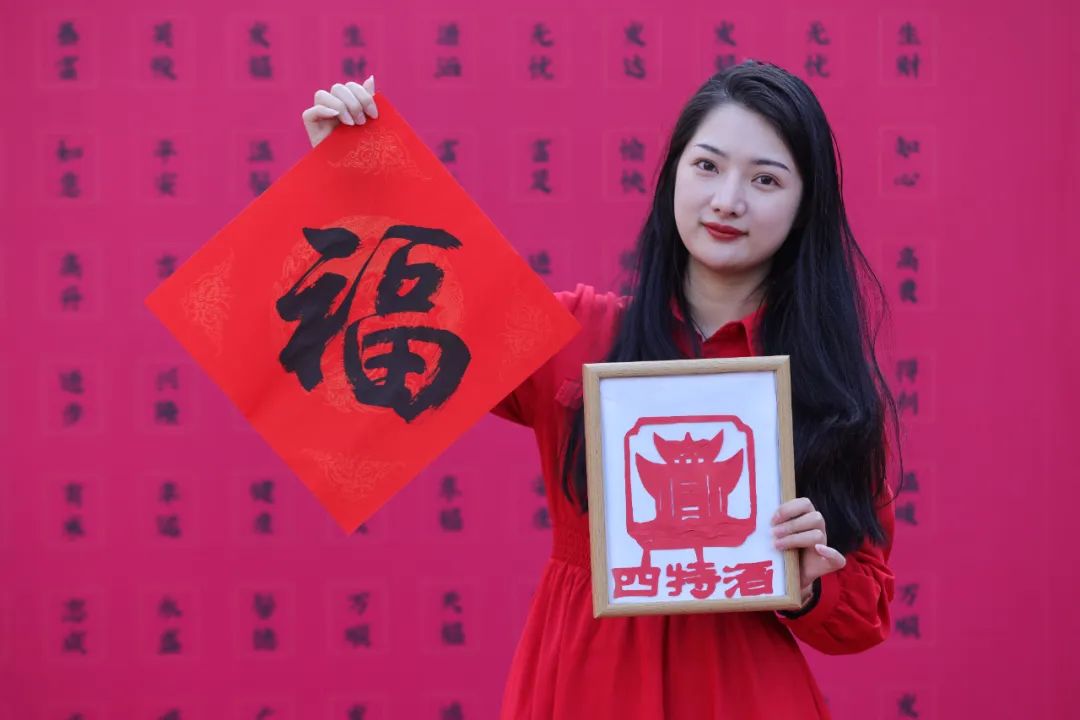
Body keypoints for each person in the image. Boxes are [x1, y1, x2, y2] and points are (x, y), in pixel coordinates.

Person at [302, 61, 901, 720]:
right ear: (672, 175)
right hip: (582, 680)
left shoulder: (827, 387)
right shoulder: (579, 335)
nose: (728, 200)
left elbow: (867, 611)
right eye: (707, 166)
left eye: (765, 179)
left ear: (805, 204)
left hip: (743, 692)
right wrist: (353, 175)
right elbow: (425, 320)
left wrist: (810, 584)